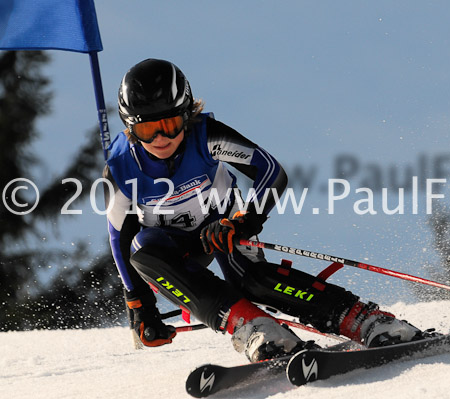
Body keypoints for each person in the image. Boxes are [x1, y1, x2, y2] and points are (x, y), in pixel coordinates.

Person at [105, 58, 428, 362]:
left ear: (186, 115)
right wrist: (140, 305)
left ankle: (367, 322)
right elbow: (119, 235)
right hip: (170, 246)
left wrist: (244, 221)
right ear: (131, 127)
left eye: (171, 124)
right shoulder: (120, 166)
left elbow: (271, 171)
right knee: (141, 250)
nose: (161, 138)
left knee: (252, 280)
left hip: (222, 226)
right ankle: (260, 332)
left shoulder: (204, 136)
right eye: (148, 130)